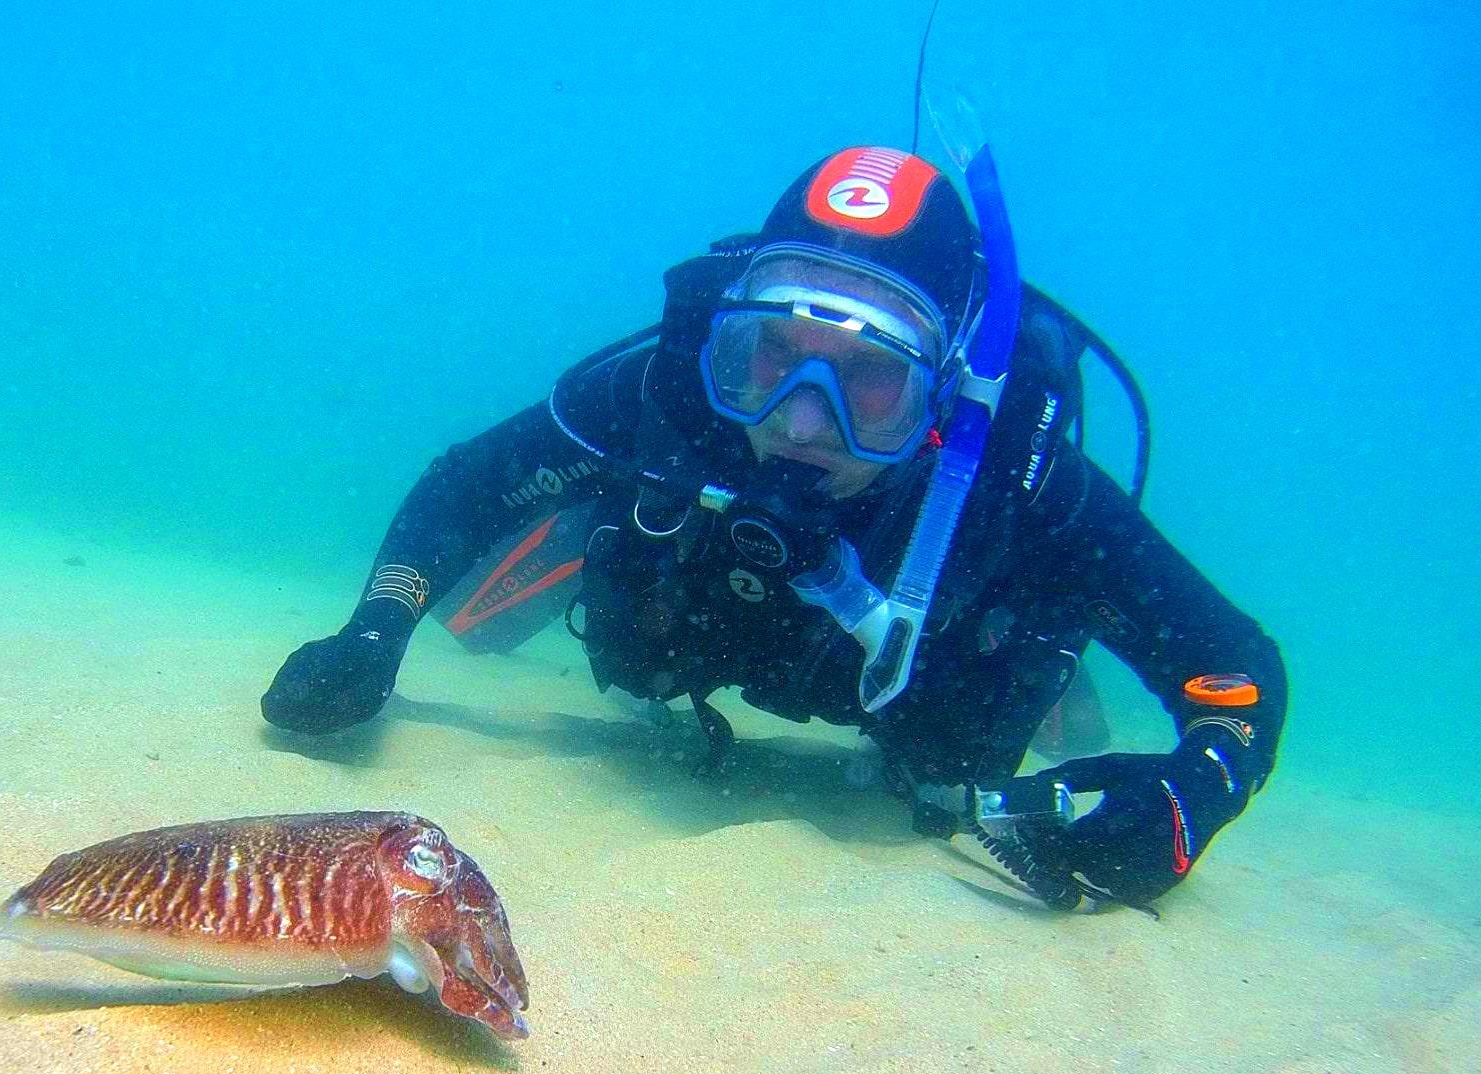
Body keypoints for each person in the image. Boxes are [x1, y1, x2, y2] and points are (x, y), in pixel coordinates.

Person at [261, 145, 1287, 910]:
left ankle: (1062, 675)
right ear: (725, 336)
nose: (800, 422)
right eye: (771, 354)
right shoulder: (668, 394)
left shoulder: (1019, 478)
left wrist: (1192, 796)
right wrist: (375, 630)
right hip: (684, 611)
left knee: (1015, 670)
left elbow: (1234, 668)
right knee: (535, 565)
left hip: (945, 642)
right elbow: (466, 486)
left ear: (943, 396)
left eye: (870, 377)